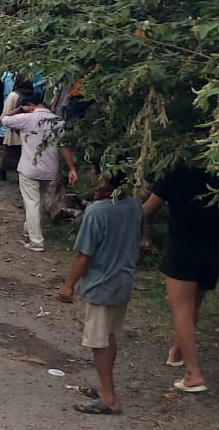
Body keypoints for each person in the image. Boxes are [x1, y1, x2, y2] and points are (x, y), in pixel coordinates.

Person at [141, 166, 219, 393]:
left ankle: (193, 374)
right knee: (192, 308)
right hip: (213, 252)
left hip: (182, 249)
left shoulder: (174, 172)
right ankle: (178, 351)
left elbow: (148, 209)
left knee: (181, 310)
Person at [58, 177, 142, 415]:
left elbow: (84, 254)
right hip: (123, 279)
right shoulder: (133, 204)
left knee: (98, 341)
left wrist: (69, 285)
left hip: (101, 284)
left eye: (94, 170)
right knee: (109, 336)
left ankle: (109, 397)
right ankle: (103, 386)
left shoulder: (97, 211)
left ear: (103, 175)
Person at [0, 93, 79, 252]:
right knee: (39, 202)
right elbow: (64, 146)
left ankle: (36, 241)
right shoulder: (58, 121)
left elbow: (3, 120)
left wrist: (19, 109)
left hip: (29, 169)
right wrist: (72, 169)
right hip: (49, 170)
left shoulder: (26, 118)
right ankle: (29, 229)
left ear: (30, 104)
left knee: (31, 204)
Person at [0, 78, 35, 182]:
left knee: (10, 154)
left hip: (14, 130)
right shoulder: (33, 95)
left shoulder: (13, 95)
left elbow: (6, 113)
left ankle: (3, 173)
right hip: (27, 131)